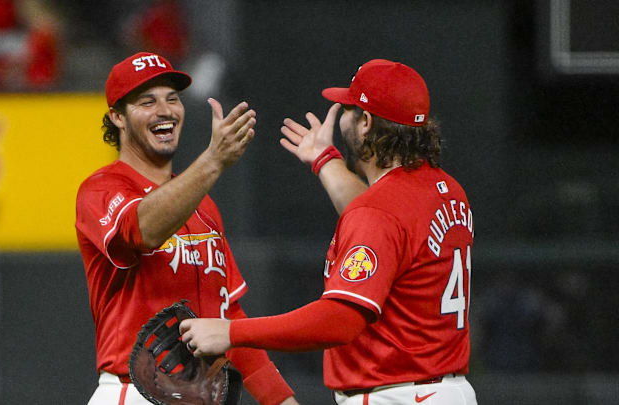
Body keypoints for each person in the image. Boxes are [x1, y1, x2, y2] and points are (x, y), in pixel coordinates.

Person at [180, 59, 478, 405]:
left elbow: (340, 319)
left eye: (350, 109)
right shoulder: (446, 189)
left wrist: (232, 332)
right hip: (444, 389)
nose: (344, 118)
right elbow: (383, 220)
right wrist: (324, 159)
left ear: (366, 123)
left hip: (397, 394)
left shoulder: (380, 210)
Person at [75, 51, 299, 405]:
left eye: (172, 99)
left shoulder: (204, 205)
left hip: (199, 396)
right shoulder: (101, 189)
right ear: (117, 117)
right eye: (147, 101)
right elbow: (143, 230)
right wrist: (212, 161)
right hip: (133, 391)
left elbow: (228, 319)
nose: (164, 110)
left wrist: (282, 401)